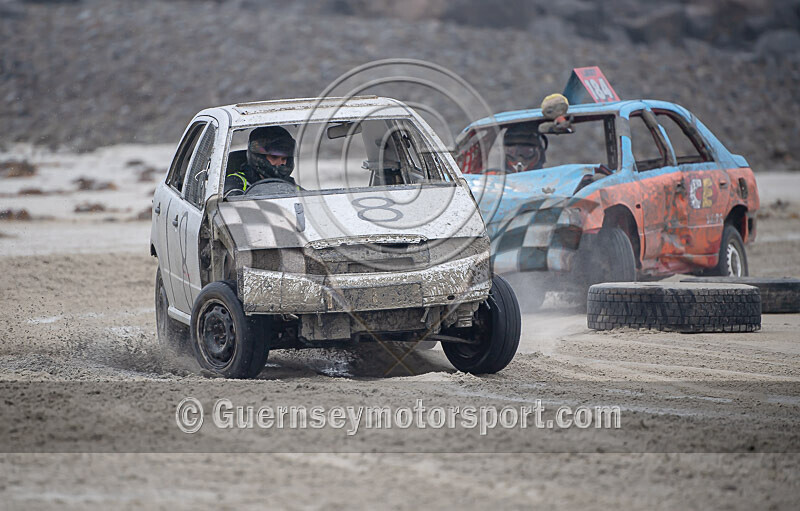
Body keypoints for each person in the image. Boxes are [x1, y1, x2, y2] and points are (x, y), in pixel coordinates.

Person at [225, 126, 296, 196]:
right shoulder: (236, 182)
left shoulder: (291, 185)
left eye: (284, 158)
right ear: (259, 157)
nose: (281, 163)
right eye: (274, 157)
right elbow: (230, 205)